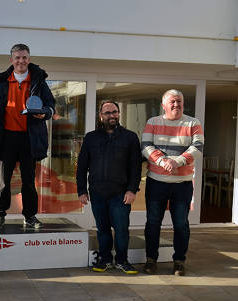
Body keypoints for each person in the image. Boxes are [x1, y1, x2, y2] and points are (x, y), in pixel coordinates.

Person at [0, 43, 55, 229]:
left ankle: (30, 216)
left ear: (29, 59)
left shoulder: (39, 81)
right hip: (7, 137)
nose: (21, 61)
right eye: (17, 57)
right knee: (3, 180)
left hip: (29, 137)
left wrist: (45, 113)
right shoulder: (1, 81)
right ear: (12, 60)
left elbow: (51, 104)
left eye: (24, 57)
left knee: (28, 181)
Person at [142, 89, 204, 276]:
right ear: (163, 105)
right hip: (156, 183)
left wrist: (176, 161)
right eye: (172, 102)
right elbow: (146, 146)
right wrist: (163, 161)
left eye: (179, 102)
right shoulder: (153, 122)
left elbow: (198, 147)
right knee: (153, 223)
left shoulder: (193, 122)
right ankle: (151, 260)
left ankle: (179, 261)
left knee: (181, 224)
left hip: (182, 184)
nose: (176, 105)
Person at [76, 100, 142, 274]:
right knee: (102, 228)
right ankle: (105, 259)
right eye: (107, 113)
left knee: (121, 229)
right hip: (97, 193)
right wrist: (81, 190)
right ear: (100, 116)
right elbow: (82, 166)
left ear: (119, 113)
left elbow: (136, 167)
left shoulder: (130, 137)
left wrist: (132, 189)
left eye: (114, 112)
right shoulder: (91, 138)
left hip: (121, 194)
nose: (111, 115)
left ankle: (122, 261)